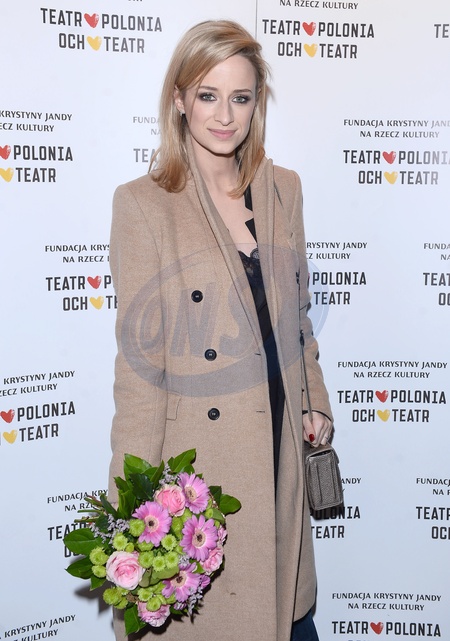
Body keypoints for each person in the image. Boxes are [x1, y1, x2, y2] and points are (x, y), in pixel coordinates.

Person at [108, 19, 333, 641]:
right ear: (180, 99)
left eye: (241, 97)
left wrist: (314, 400)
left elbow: (297, 319)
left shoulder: (283, 190)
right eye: (208, 95)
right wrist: (131, 515)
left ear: (257, 102)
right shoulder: (144, 205)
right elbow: (139, 374)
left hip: (281, 449)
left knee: (288, 616)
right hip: (203, 474)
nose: (225, 116)